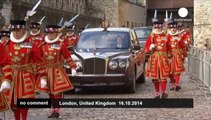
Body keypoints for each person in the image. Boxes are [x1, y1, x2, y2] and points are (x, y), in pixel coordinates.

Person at [0, 20, 42, 120]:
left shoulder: (31, 44)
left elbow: (39, 61)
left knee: (24, 100)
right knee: (13, 101)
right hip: (10, 76)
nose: (16, 32)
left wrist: (42, 77)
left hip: (26, 75)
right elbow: (4, 61)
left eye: (18, 30)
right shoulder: (6, 44)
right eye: (14, 30)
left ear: (23, 30)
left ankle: (24, 118)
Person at [36, 25, 78, 118]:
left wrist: (73, 67)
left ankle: (56, 110)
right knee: (50, 92)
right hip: (46, 71)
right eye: (49, 33)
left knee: (57, 92)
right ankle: (53, 108)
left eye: (52, 33)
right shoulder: (43, 45)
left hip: (57, 71)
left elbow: (67, 56)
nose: (50, 35)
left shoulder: (61, 45)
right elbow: (38, 58)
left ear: (56, 34)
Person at [144, 21, 170, 99]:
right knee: (155, 77)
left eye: (159, 28)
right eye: (156, 28)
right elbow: (146, 48)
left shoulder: (165, 36)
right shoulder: (151, 37)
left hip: (163, 58)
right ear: (154, 28)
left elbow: (168, 46)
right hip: (154, 59)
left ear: (161, 27)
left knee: (163, 76)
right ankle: (157, 93)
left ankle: (163, 92)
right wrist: (150, 47)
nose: (158, 29)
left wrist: (170, 56)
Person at [166, 21, 185, 91]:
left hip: (177, 55)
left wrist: (180, 41)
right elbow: (164, 46)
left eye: (174, 28)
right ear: (169, 29)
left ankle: (177, 84)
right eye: (171, 28)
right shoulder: (167, 36)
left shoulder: (179, 36)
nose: (173, 29)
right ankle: (172, 83)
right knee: (169, 71)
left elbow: (183, 46)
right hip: (169, 55)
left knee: (177, 71)